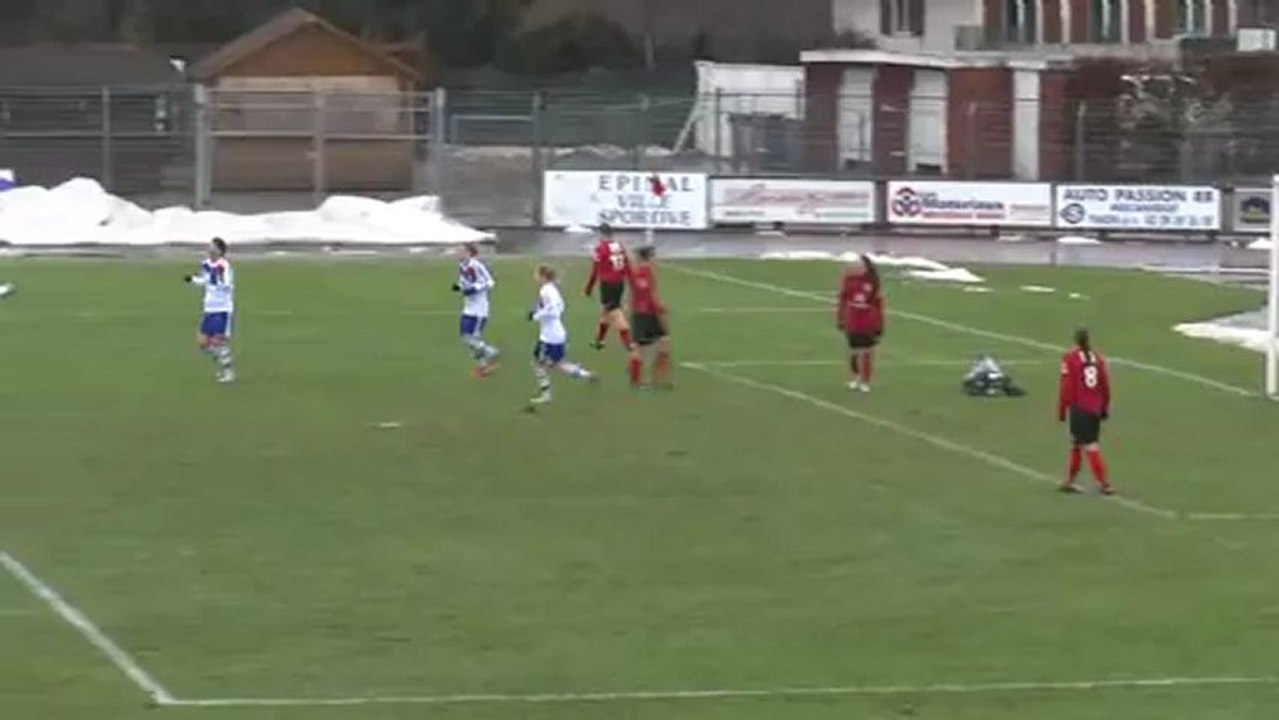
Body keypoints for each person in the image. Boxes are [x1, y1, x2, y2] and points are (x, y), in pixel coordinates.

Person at [529, 265, 595, 406]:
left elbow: (553, 311)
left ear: (542, 276)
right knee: (557, 364)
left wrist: (536, 316)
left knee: (538, 363)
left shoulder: (546, 290)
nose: (535, 277)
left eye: (536, 274)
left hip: (549, 336)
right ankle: (585, 374)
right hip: (558, 333)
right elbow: (560, 307)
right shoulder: (552, 289)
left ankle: (546, 395)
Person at [1057, 327, 1113, 495]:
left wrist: (1062, 409)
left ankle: (1104, 483)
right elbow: (1105, 385)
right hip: (1095, 408)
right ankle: (1070, 481)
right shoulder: (1098, 358)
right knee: (1077, 443)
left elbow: (1067, 387)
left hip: (1079, 408)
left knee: (1088, 446)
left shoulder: (1070, 358)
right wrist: (1104, 407)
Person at [185, 237, 236, 384]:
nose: (209, 249)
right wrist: (193, 280)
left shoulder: (224, 265)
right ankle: (225, 359)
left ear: (220, 250)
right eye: (209, 247)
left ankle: (228, 371)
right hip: (209, 308)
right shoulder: (206, 264)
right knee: (202, 343)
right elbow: (206, 280)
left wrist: (218, 279)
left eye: (213, 247)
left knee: (217, 342)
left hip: (222, 308)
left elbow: (226, 284)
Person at [836, 254, 884, 392]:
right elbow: (843, 299)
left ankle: (866, 381)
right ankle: (856, 377)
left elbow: (878, 304)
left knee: (867, 352)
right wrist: (840, 318)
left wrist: (879, 324)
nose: (853, 266)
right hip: (853, 319)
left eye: (858, 264)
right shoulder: (849, 281)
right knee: (854, 352)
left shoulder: (872, 282)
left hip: (868, 320)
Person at [452, 243, 500, 377]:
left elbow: (490, 282)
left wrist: (475, 289)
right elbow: (465, 282)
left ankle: (490, 355)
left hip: (479, 309)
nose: (458, 253)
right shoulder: (462, 266)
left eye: (461, 251)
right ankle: (485, 364)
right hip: (468, 307)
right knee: (466, 338)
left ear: (469, 253)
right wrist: (459, 286)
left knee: (473, 338)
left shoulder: (476, 265)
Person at [627, 246, 671, 388]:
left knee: (663, 341)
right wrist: (659, 307)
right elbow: (647, 295)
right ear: (648, 257)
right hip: (645, 313)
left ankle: (657, 379)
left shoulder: (642, 272)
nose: (656, 259)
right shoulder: (643, 272)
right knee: (639, 346)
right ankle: (638, 381)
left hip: (643, 312)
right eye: (653, 256)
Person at [584, 224, 634, 351]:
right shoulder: (619, 246)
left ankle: (629, 343)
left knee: (615, 312)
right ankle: (599, 341)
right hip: (619, 282)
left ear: (601, 233)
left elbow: (595, 271)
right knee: (606, 311)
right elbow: (627, 265)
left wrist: (589, 287)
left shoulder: (600, 249)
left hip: (608, 284)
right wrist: (631, 281)